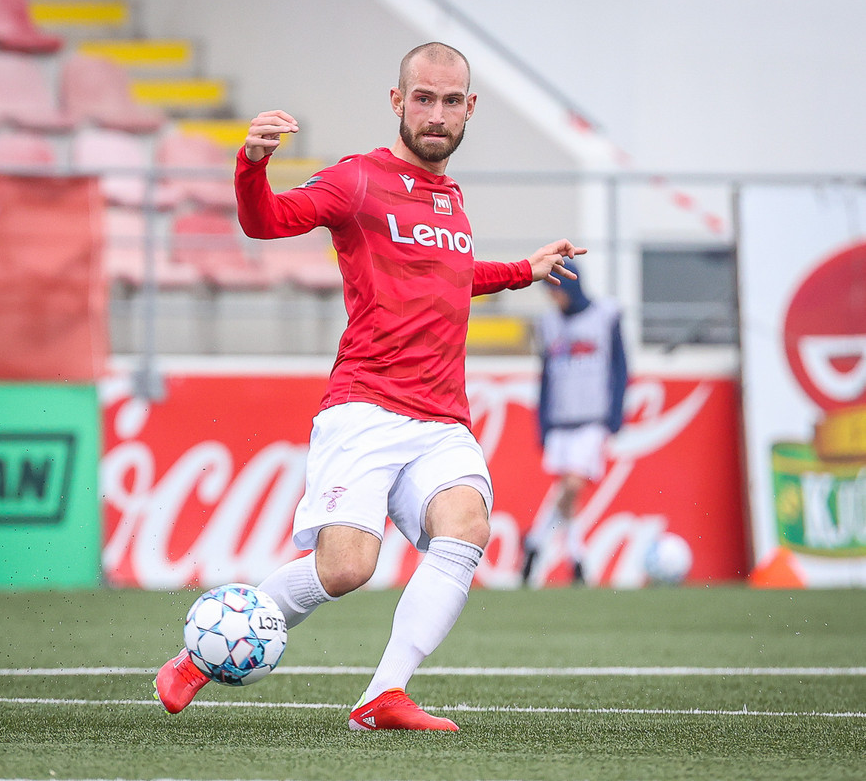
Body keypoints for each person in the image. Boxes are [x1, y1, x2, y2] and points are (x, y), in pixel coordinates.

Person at [155, 42, 585, 731]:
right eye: (424, 98)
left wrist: (519, 272)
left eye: (451, 101)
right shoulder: (358, 179)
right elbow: (265, 222)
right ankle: (200, 655)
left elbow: (449, 276)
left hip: (441, 419)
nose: (436, 113)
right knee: (347, 567)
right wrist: (252, 165)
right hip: (365, 407)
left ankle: (384, 695)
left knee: (467, 526)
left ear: (469, 108)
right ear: (397, 101)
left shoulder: (450, 199)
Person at [521, 263, 627, 586]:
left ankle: (536, 541)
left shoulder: (606, 315)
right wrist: (542, 423)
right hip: (560, 419)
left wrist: (616, 413)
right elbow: (545, 376)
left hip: (591, 418)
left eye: (555, 290)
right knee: (567, 493)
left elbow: (620, 367)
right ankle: (576, 558)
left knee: (571, 485)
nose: (552, 298)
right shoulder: (548, 323)